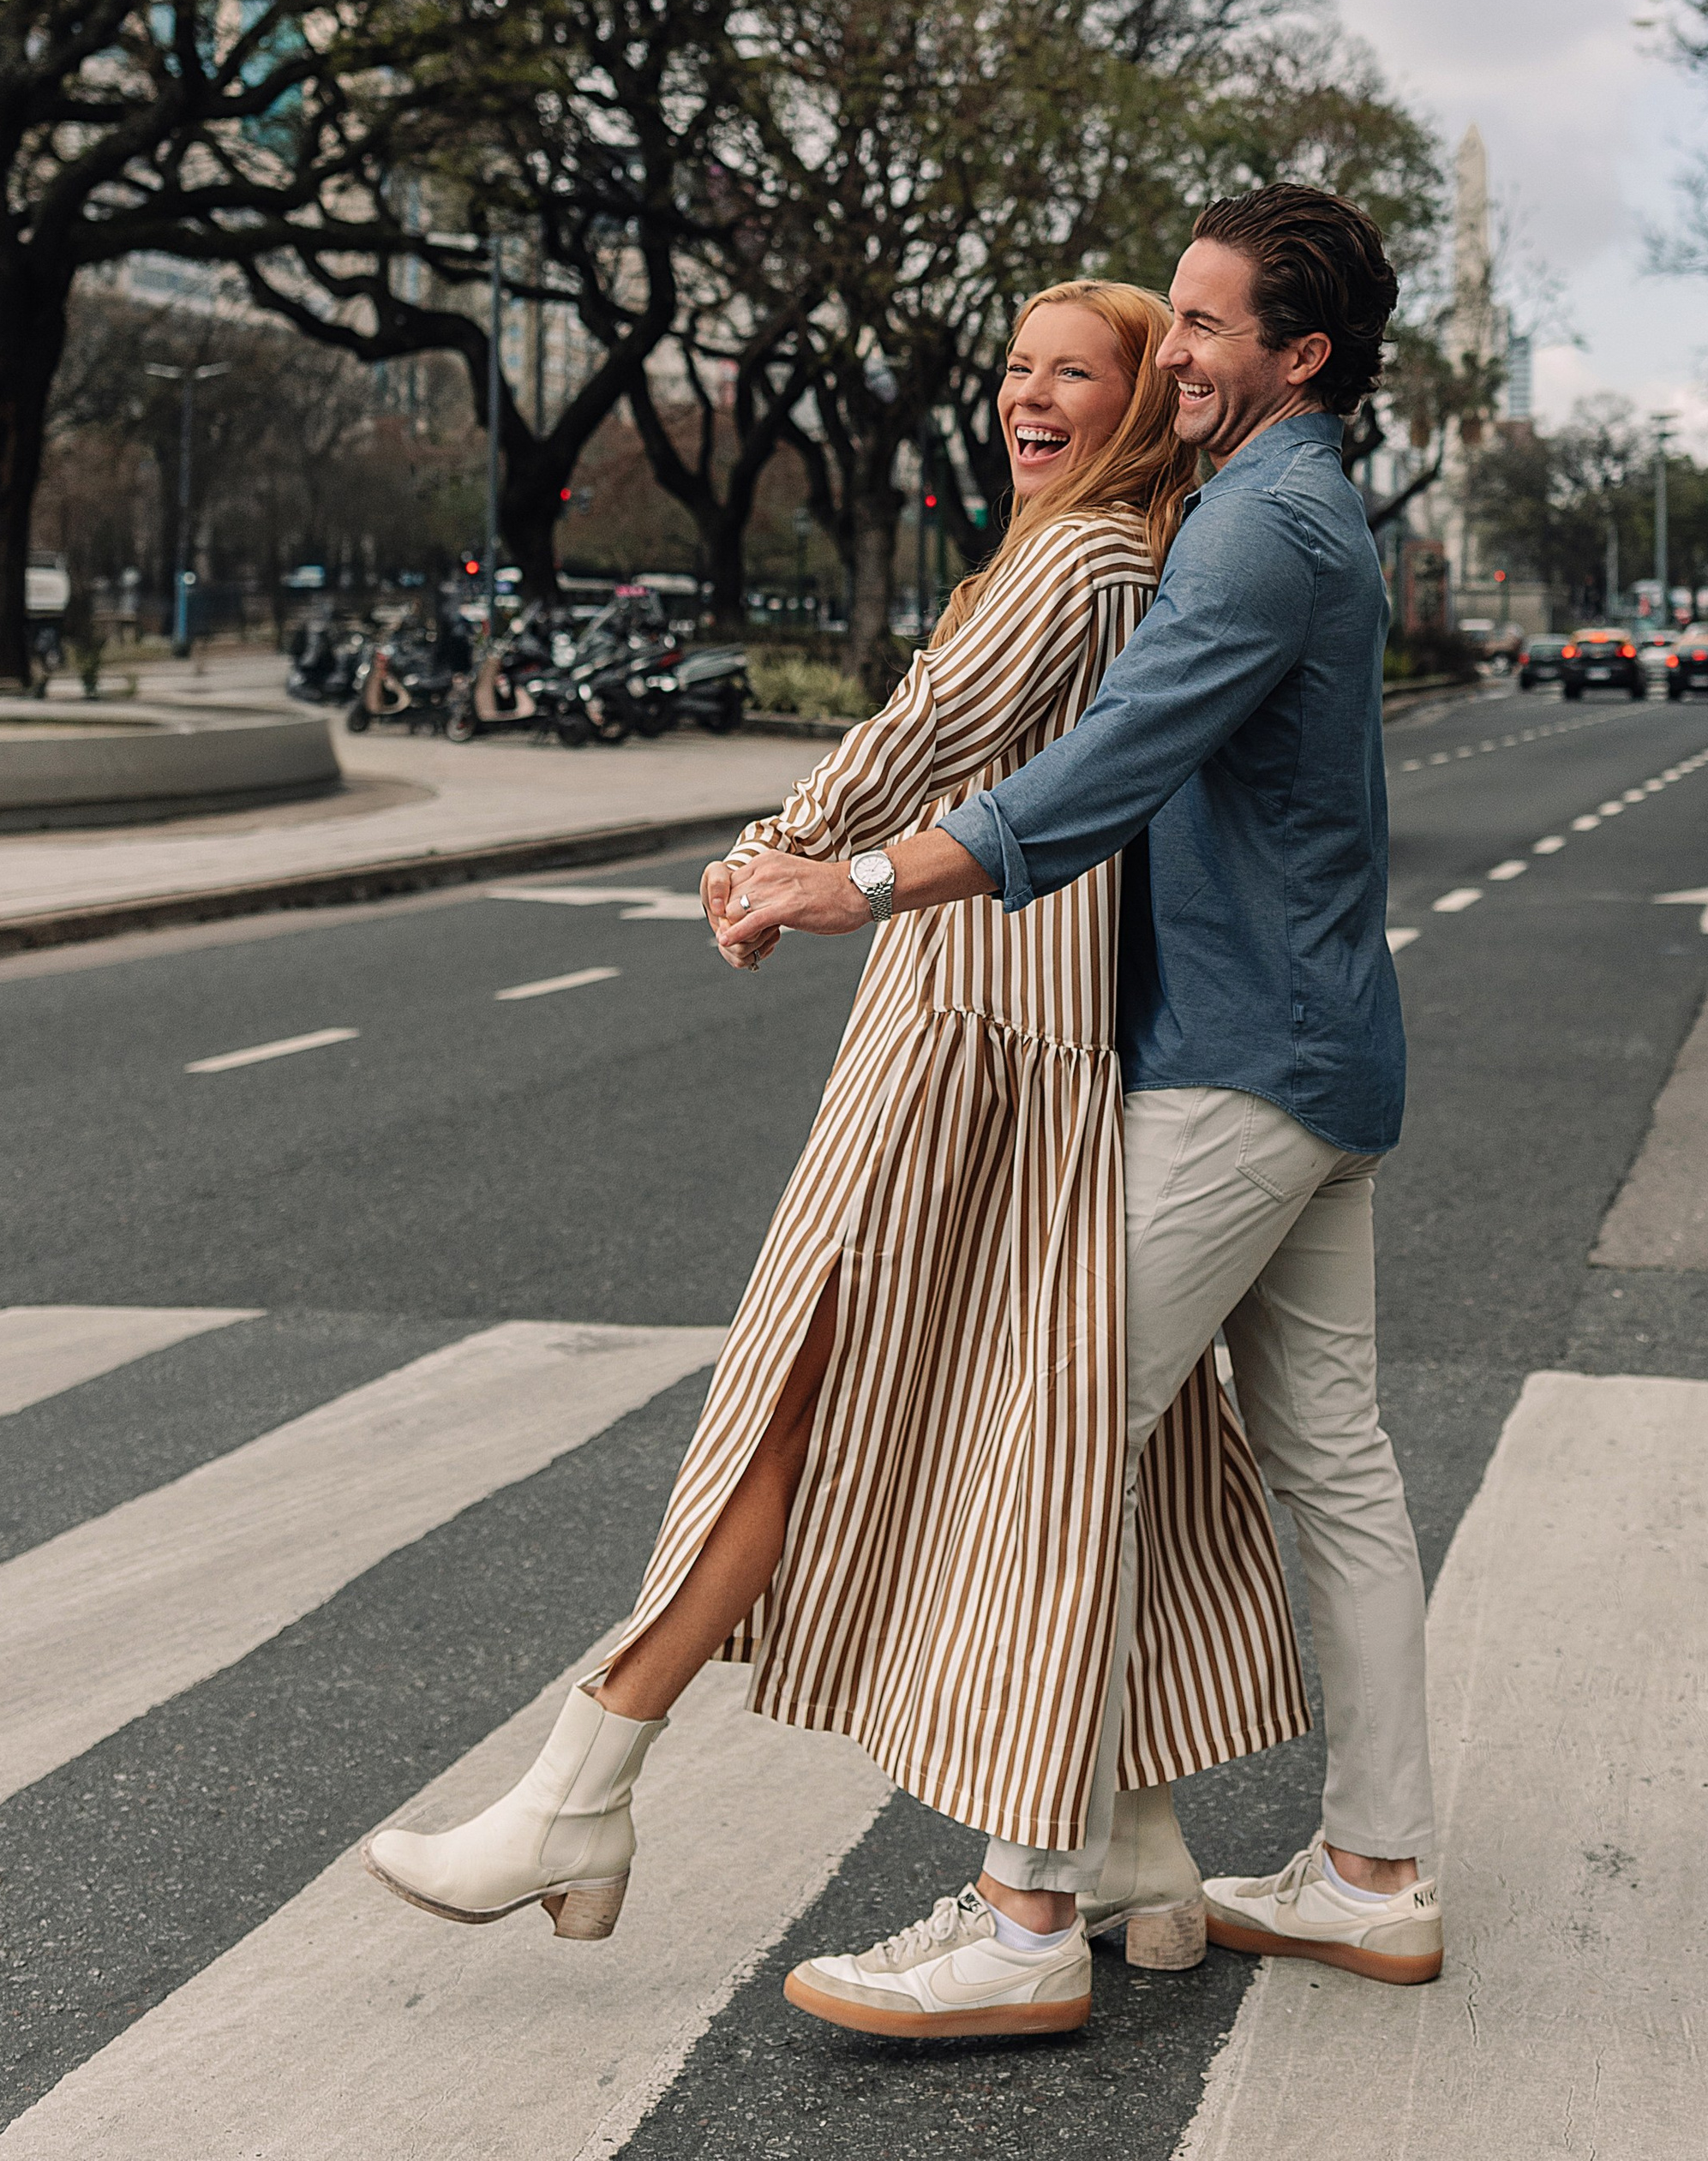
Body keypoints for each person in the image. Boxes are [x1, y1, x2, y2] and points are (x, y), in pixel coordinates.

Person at [363, 277, 1312, 2037]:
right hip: (987, 1040)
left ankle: (581, 1794)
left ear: (1127, 408)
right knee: (1011, 1438)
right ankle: (1141, 1852)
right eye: (1014, 369)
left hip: (973, 1057)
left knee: (800, 1399)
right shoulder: (1066, 553)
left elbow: (934, 744)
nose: (1028, 397)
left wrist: (774, 849)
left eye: (1071, 374)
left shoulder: (1088, 565)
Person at [720, 185, 1441, 2041]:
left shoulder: (1257, 530)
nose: (1174, 355)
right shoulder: (1294, 509)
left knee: (1043, 1443)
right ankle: (1369, 1876)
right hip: (1327, 1051)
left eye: (1210, 329)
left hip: (1234, 1074)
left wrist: (859, 880)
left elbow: (1109, 765)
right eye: (1175, 319)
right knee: (1334, 1466)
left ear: (1301, 356)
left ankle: (1021, 1915)